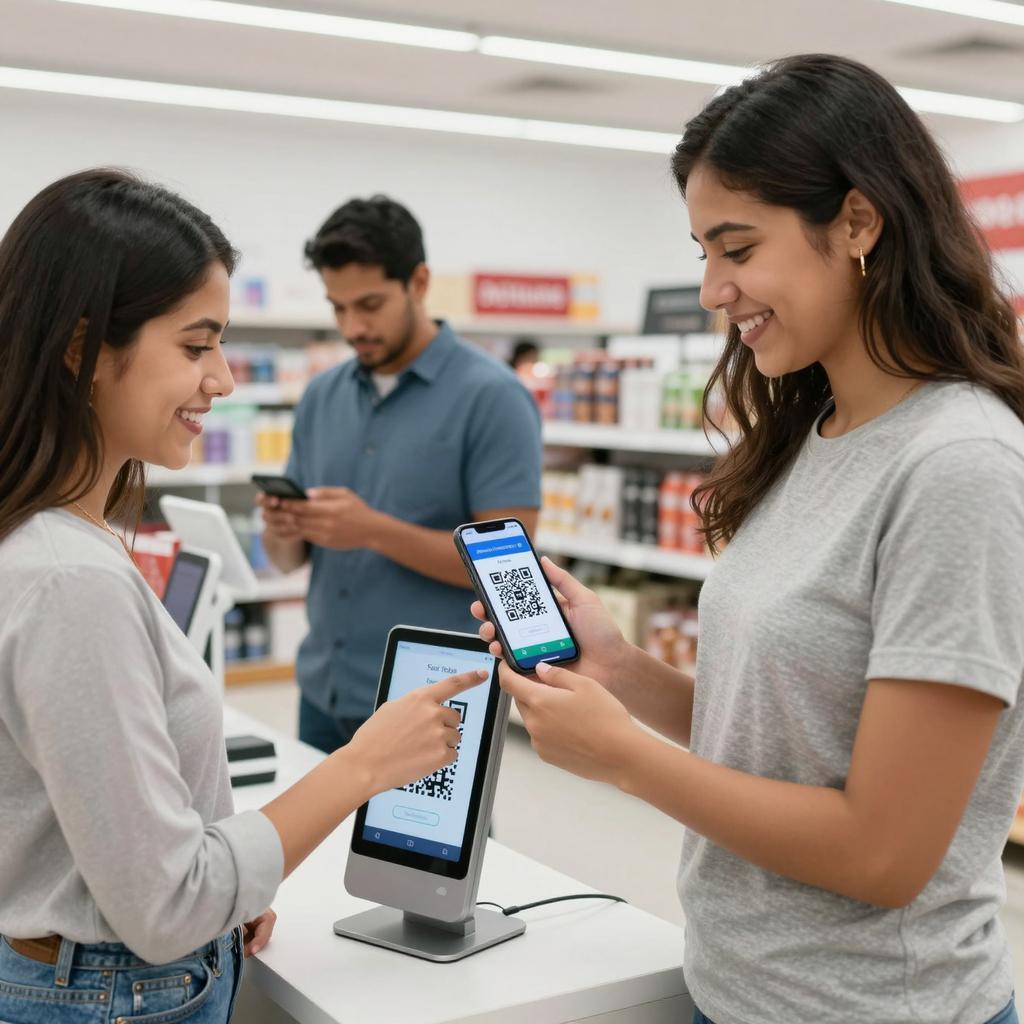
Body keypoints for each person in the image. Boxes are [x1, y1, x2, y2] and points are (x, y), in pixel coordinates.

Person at [474, 55, 1024, 1024]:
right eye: (701, 252)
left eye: (736, 247)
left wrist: (624, 760)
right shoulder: (814, 431)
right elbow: (789, 739)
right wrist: (622, 674)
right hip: (737, 990)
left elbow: (883, 854)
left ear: (858, 222)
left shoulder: (959, 467)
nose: (714, 289)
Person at [0, 169, 486, 1023]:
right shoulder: (69, 579)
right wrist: (365, 765)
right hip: (113, 989)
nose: (222, 379)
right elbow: (166, 907)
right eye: (195, 346)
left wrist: (235, 869)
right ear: (80, 349)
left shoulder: (58, 541)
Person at [258, 195, 542, 754]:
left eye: (369, 304)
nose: (353, 326)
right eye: (338, 308)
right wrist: (283, 527)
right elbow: (288, 559)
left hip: (433, 704)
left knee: (431, 846)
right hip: (324, 693)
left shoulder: (493, 398)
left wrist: (371, 530)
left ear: (418, 281)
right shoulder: (321, 396)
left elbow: (511, 578)